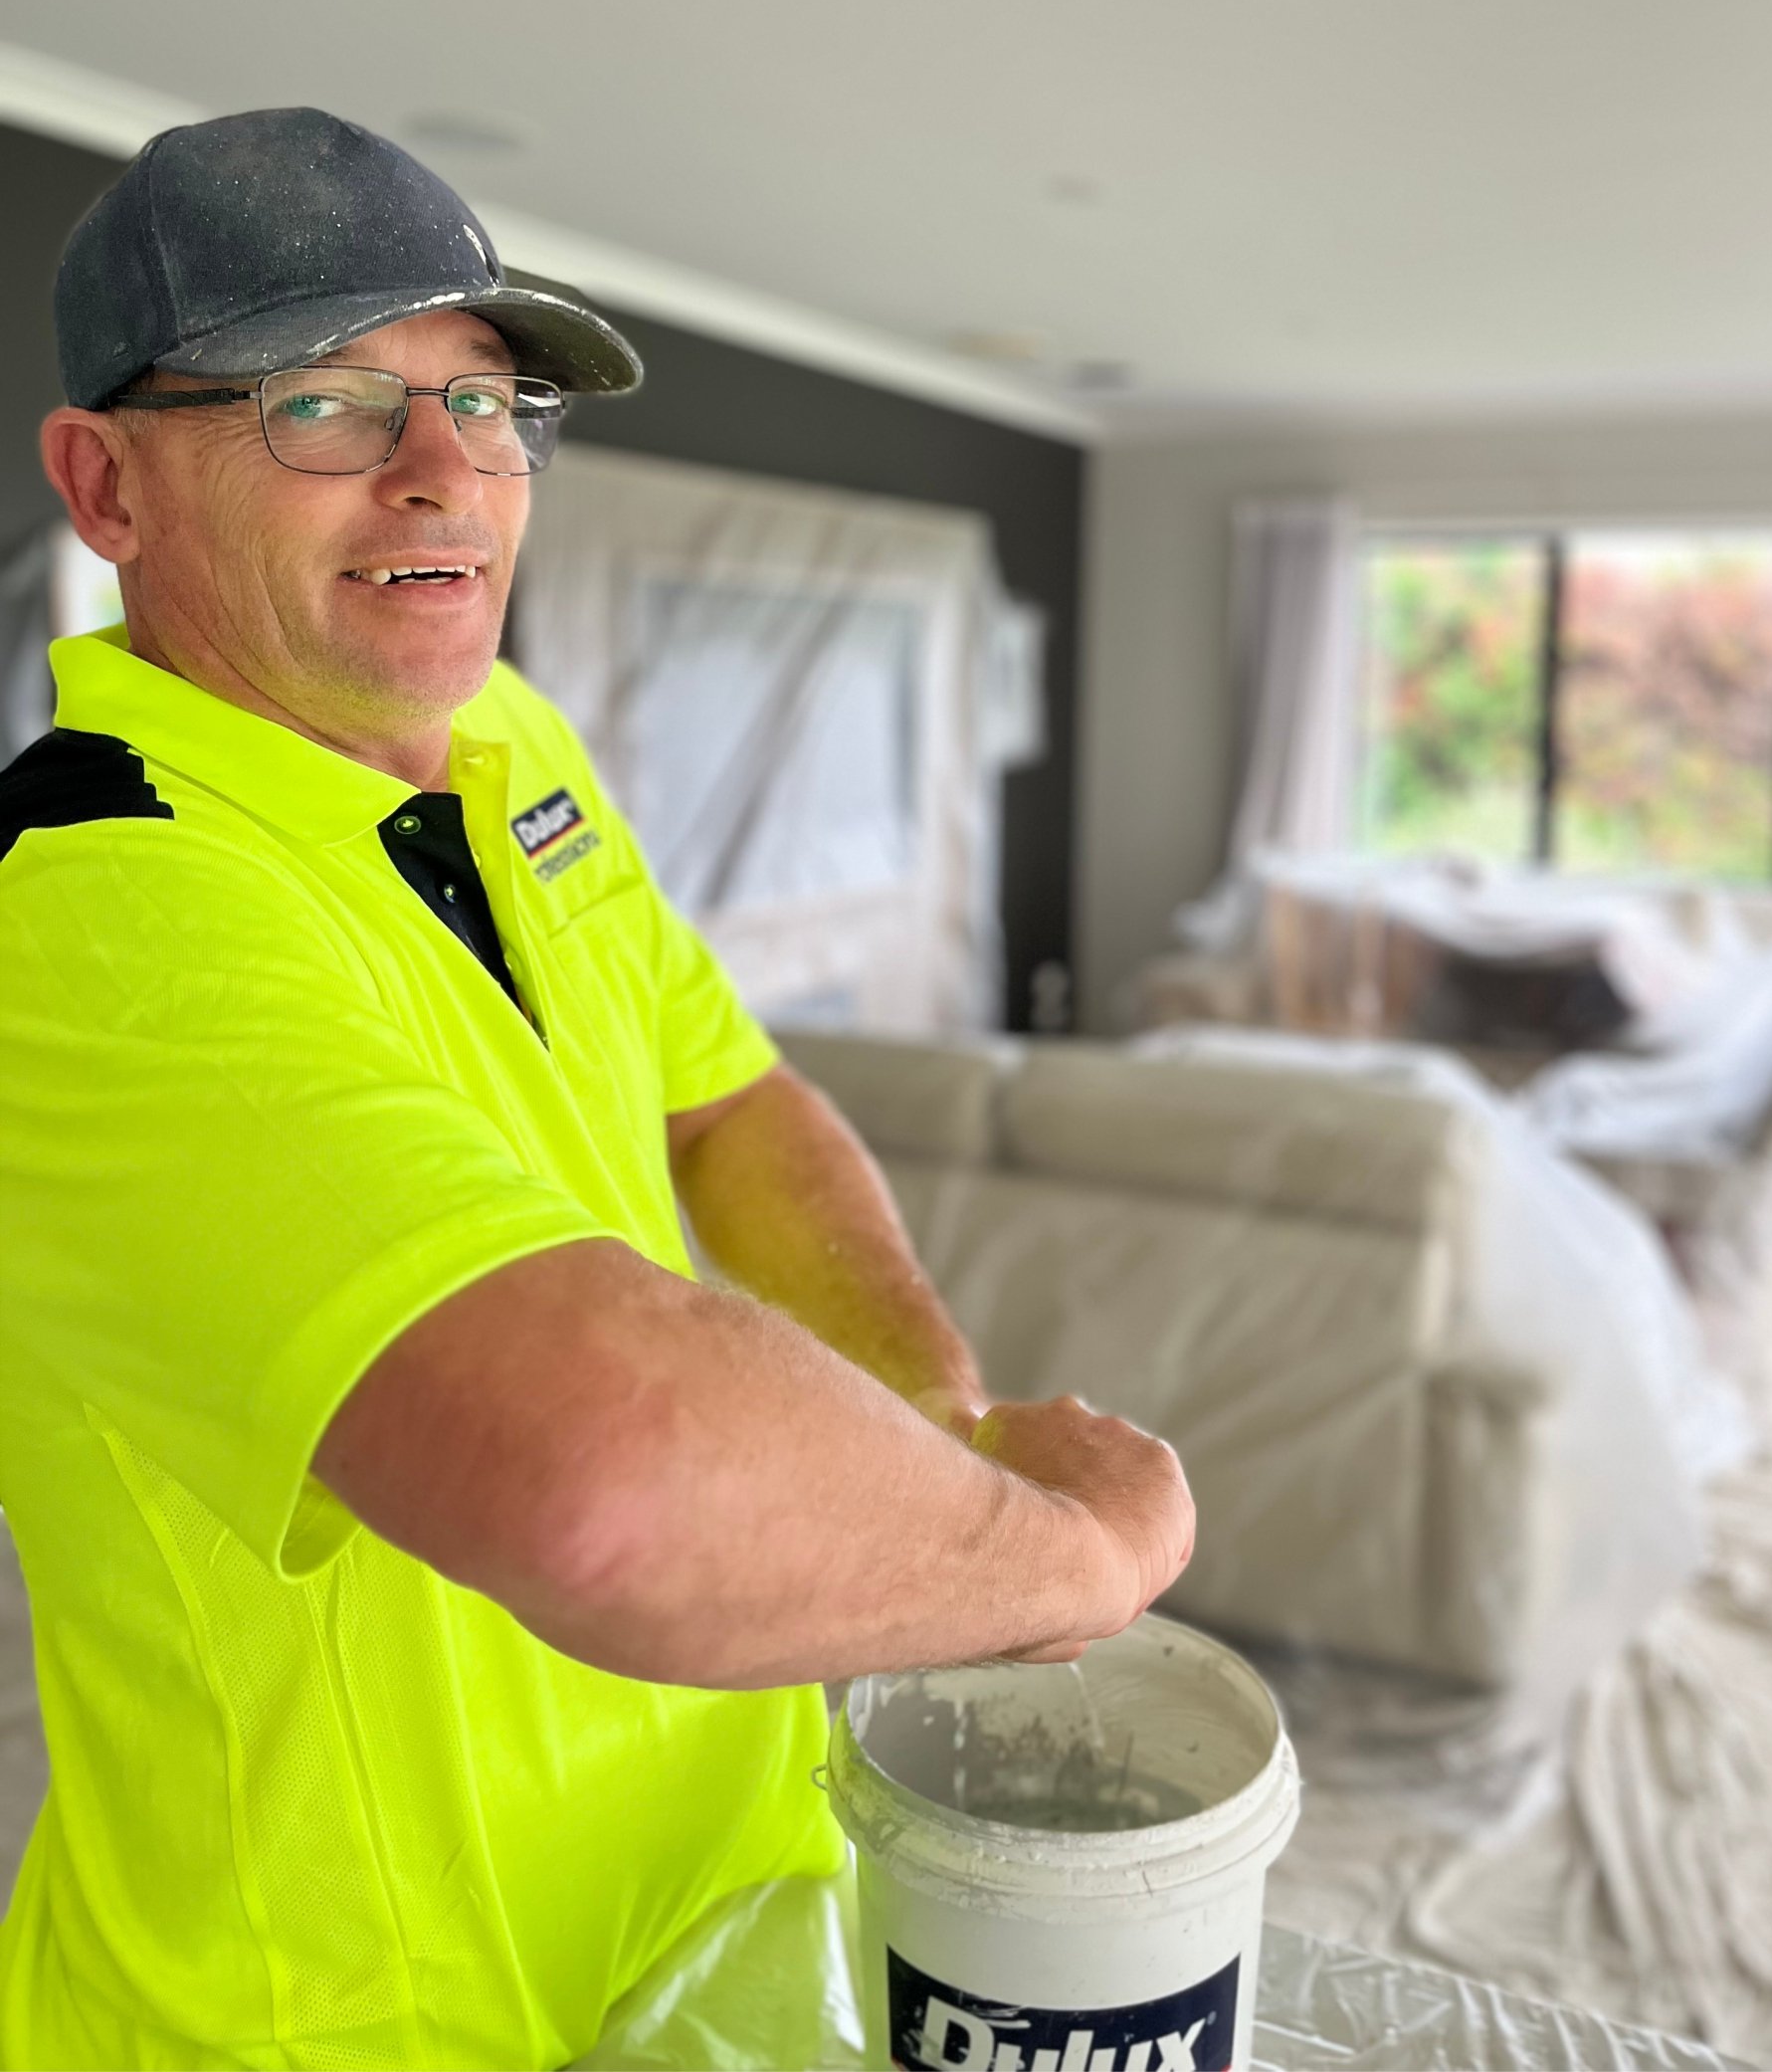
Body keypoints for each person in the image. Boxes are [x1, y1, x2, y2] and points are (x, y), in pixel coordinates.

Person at [0, 108, 1194, 2070]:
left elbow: (723, 1104)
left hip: (715, 1924)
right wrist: (1057, 1556)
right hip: (363, 2021)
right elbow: (611, 1487)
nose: (443, 470)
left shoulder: (508, 742)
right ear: (106, 486)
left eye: (489, 405)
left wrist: (933, 1427)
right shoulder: (89, 903)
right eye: (328, 402)